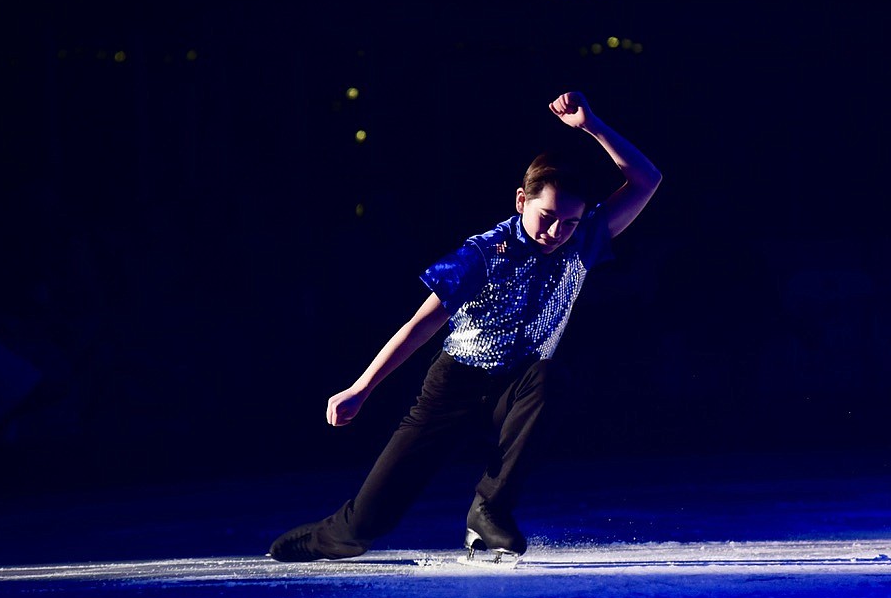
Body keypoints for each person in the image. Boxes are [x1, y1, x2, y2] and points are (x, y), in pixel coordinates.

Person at [268, 91, 661, 562]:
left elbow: (646, 180)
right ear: (521, 201)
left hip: (518, 383)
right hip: (454, 384)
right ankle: (333, 535)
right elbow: (421, 323)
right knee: (367, 525)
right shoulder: (482, 253)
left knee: (551, 378)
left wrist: (592, 126)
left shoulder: (585, 240)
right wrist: (362, 388)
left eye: (570, 223)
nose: (557, 233)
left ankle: (488, 512)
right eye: (547, 217)